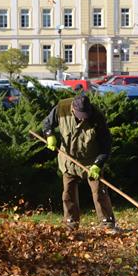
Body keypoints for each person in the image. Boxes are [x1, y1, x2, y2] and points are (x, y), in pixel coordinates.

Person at [42, 94, 116, 231]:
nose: (83, 117)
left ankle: (107, 222)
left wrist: (97, 164)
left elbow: (106, 145)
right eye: (81, 114)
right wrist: (49, 135)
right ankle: (71, 222)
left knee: (99, 191)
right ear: (73, 109)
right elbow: (46, 123)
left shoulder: (97, 117)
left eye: (86, 114)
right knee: (68, 192)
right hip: (68, 158)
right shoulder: (61, 108)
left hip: (90, 160)